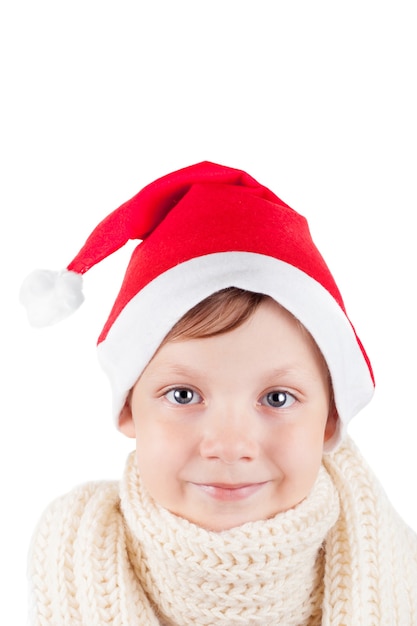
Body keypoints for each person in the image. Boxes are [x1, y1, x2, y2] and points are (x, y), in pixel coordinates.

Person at [20, 162, 417, 625]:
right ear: (128, 406)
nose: (229, 446)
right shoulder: (72, 554)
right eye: (184, 395)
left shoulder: (398, 571)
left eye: (277, 399)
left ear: (331, 420)